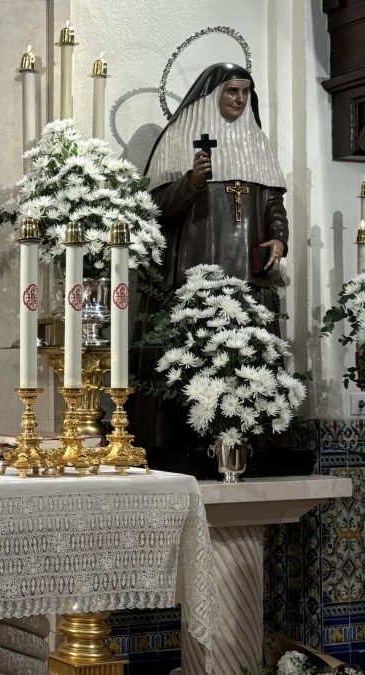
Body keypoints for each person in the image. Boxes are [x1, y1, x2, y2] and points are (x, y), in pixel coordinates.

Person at [133, 63, 290, 455]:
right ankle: (186, 442)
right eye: (232, 91)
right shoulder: (181, 139)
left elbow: (273, 202)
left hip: (249, 275)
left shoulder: (257, 142)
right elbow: (156, 210)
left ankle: (252, 442)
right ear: (212, 96)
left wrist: (278, 239)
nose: (239, 100)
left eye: (245, 93)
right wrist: (192, 182)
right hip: (196, 269)